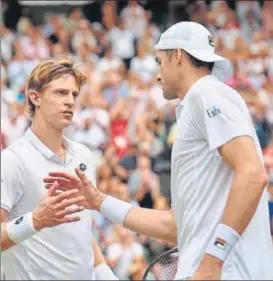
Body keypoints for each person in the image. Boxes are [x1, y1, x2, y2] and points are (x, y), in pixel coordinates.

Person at [44, 22, 273, 280]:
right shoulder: (199, 103)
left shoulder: (206, 93)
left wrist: (212, 261)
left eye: (159, 61)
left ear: (177, 55)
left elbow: (253, 175)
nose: (157, 74)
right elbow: (174, 226)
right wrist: (99, 201)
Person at [1, 58, 99, 280]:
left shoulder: (85, 156)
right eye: (61, 93)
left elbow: (82, 232)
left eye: (74, 94)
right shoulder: (11, 160)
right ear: (35, 97)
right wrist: (35, 220)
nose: (70, 101)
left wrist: (106, 274)